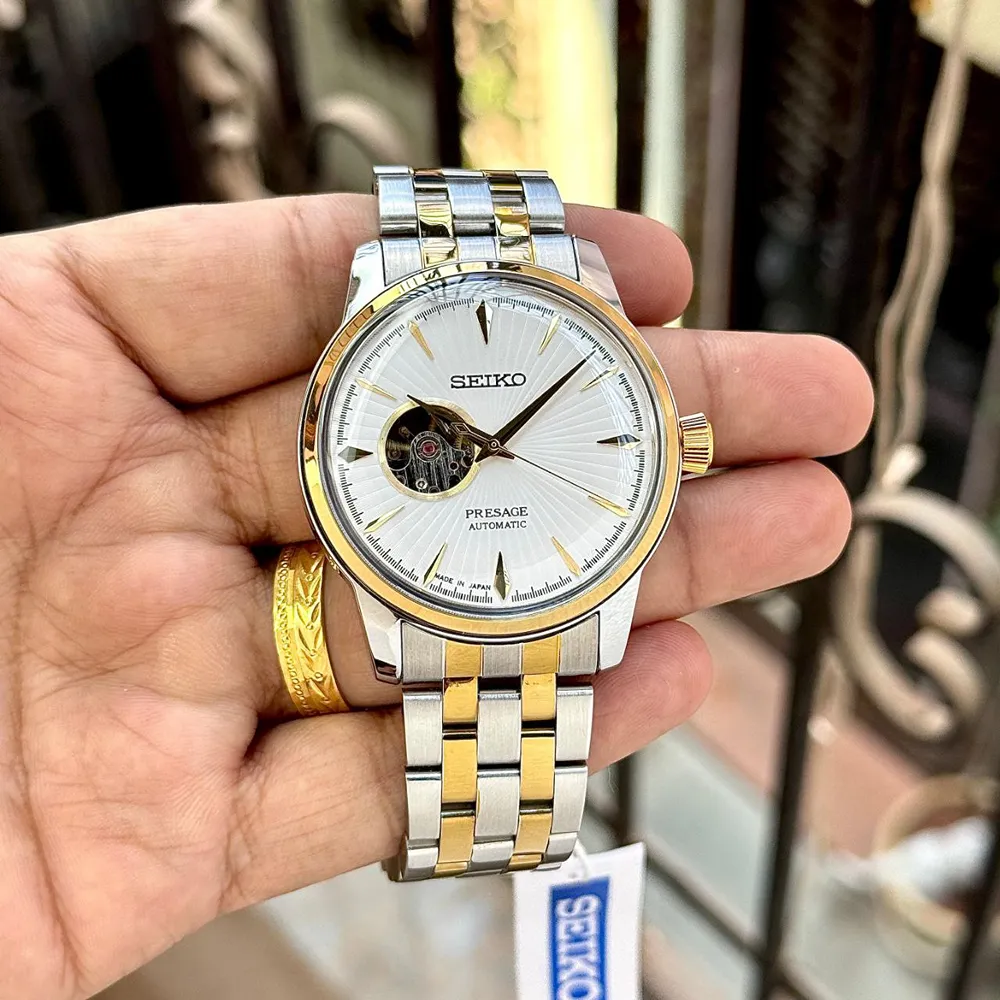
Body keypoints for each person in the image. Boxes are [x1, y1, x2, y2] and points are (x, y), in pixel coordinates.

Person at [0, 195, 873, 999]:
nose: (488, 453)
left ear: (680, 445)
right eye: (474, 448)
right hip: (426, 589)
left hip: (554, 586)